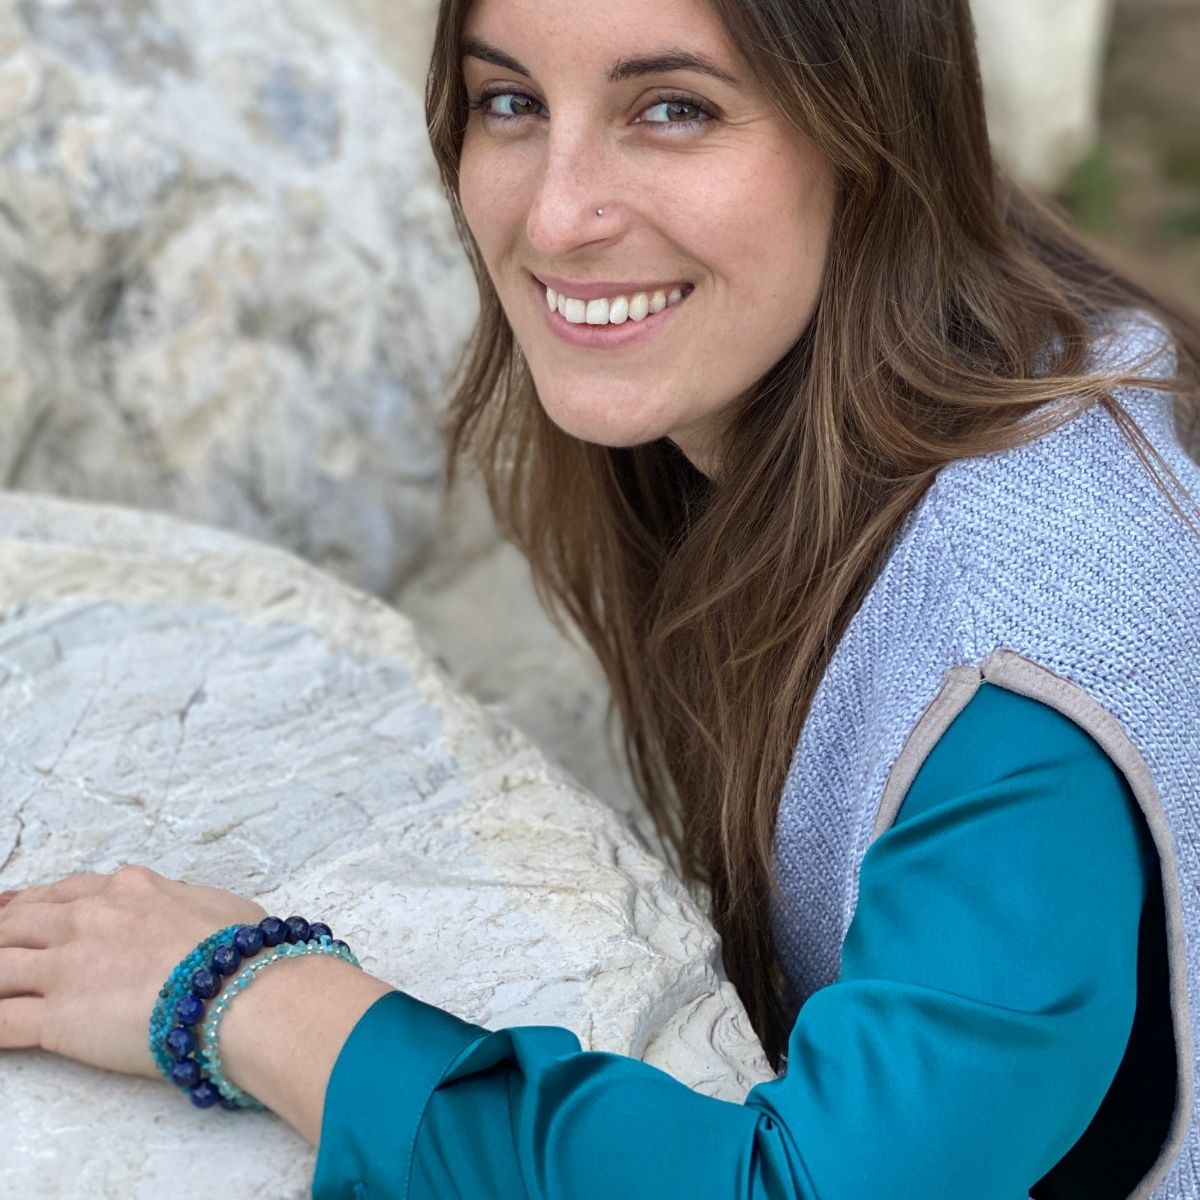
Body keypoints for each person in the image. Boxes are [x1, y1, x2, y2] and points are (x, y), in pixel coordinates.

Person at [1, 0, 1198, 1196]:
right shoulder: (898, 358)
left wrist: (249, 997)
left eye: (672, 109)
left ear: (871, 133)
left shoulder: (1017, 672)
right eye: (510, 101)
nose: (558, 216)